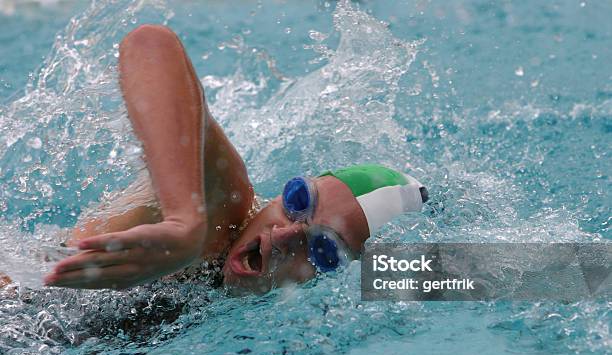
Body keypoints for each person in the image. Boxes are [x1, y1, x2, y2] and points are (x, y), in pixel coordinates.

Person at [39, 25, 428, 294]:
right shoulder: (222, 210)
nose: (285, 235)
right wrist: (183, 222)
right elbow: (150, 44)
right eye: (298, 202)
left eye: (323, 250)